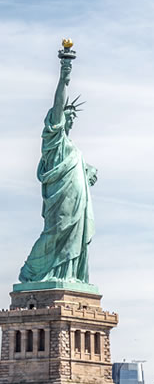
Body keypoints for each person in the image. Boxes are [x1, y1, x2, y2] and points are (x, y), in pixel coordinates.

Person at [19, 48, 97, 285]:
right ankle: (32, 272)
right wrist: (65, 74)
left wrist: (87, 171)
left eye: (72, 114)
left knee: (74, 236)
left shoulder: (73, 147)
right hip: (61, 199)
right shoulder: (54, 138)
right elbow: (58, 104)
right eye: (67, 113)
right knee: (56, 231)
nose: (70, 116)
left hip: (76, 201)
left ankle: (69, 275)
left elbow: (78, 168)